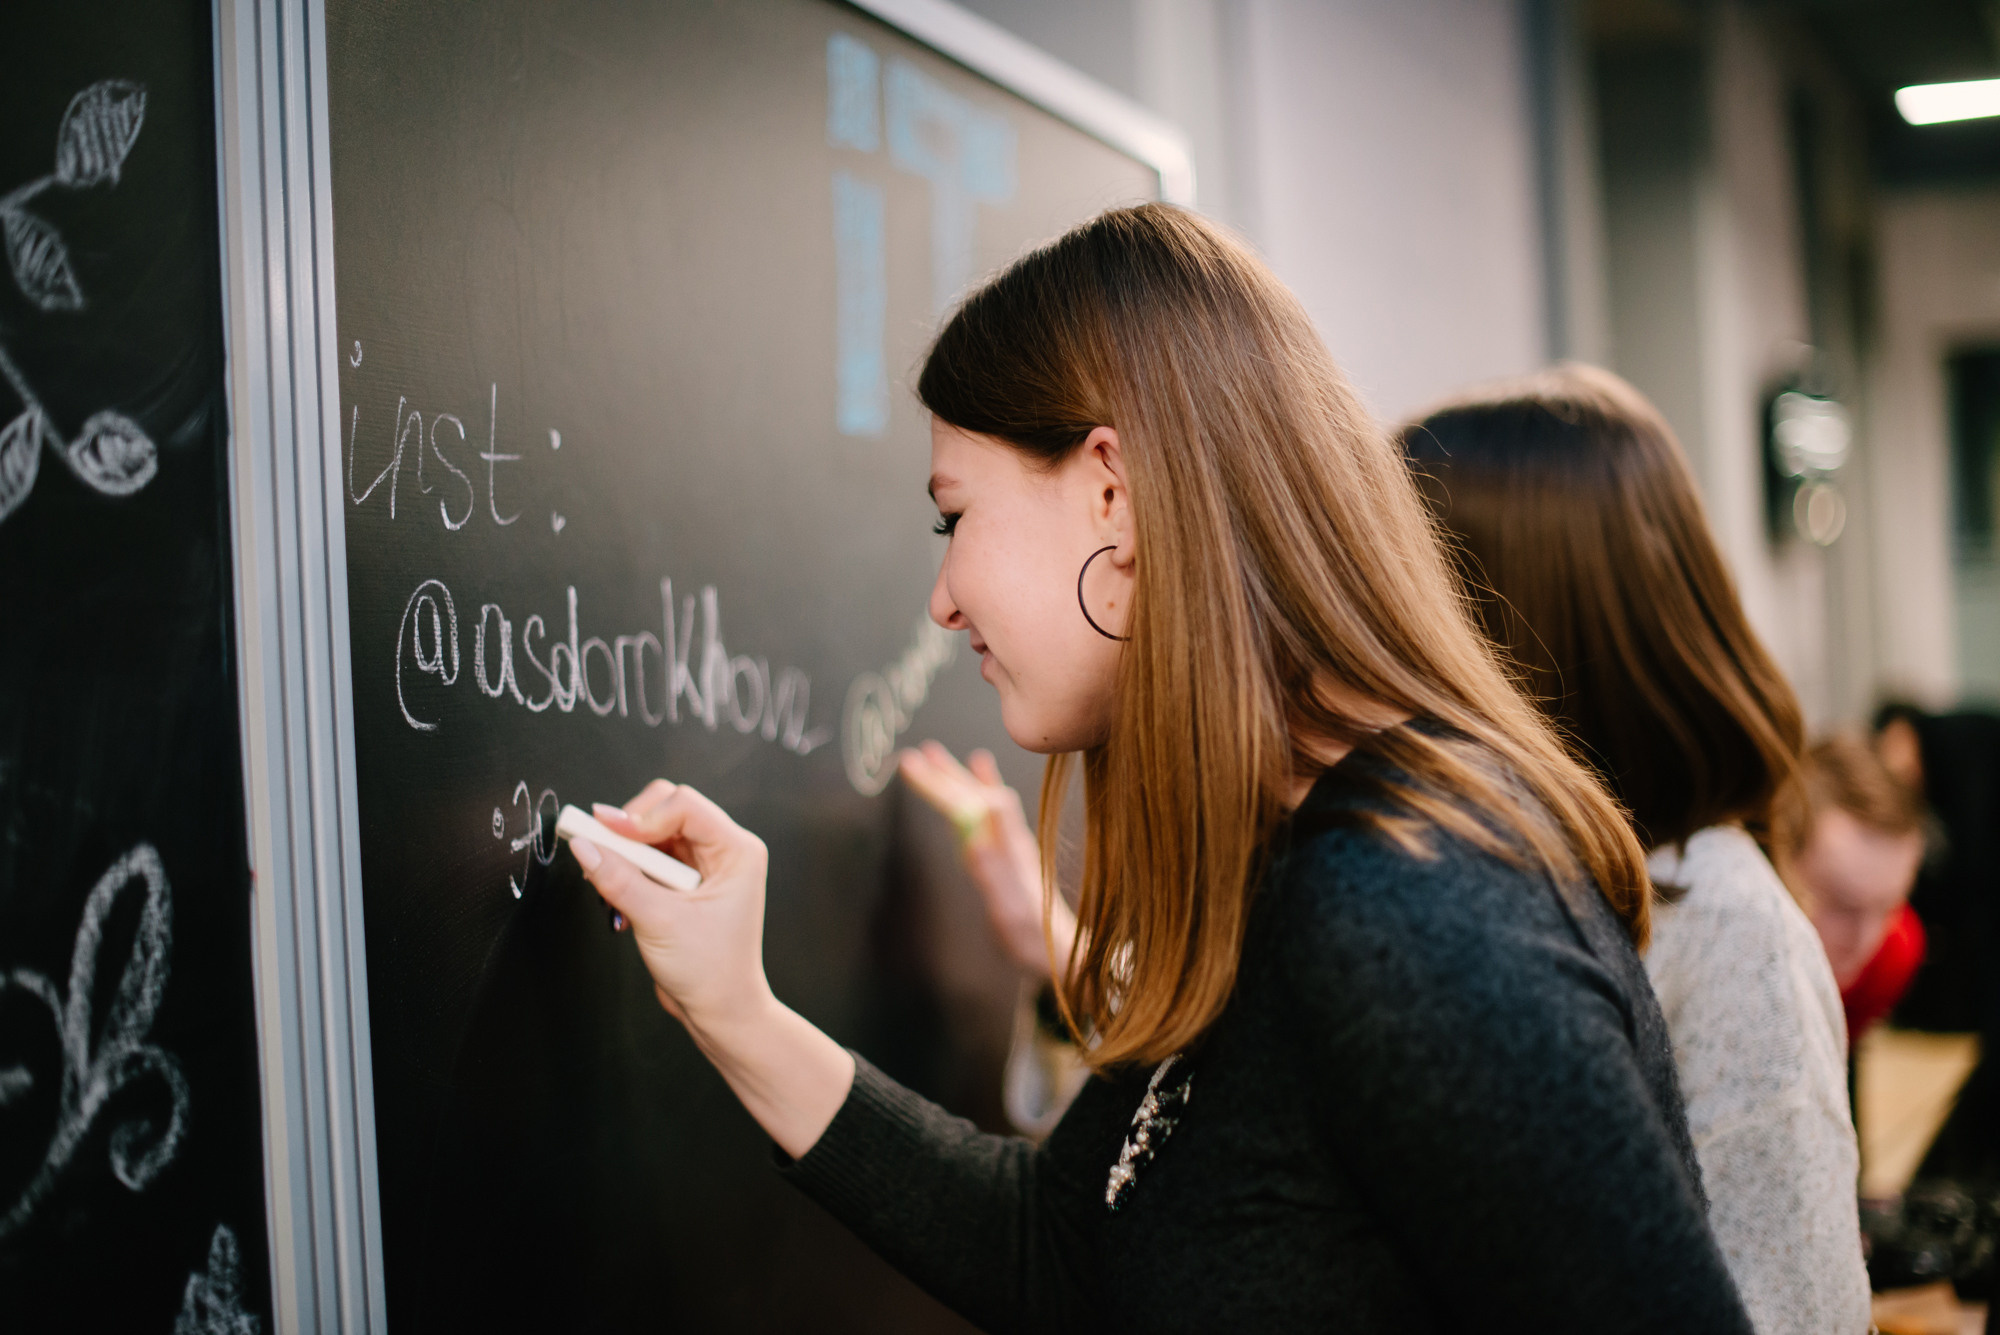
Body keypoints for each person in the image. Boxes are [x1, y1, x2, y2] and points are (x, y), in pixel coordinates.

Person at [567, 205, 1753, 1331]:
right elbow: (1059, 1248)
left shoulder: (1412, 911)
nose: (942, 600)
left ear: (1112, 496)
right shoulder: (1284, 865)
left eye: (953, 517)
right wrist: (732, 1008)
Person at [1401, 363, 1871, 1334]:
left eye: (1407, 601)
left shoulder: (1729, 934)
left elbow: (1791, 1308)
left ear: (1510, 633)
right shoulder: (1501, 886)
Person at [1790, 734, 1928, 1040]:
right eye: (1841, 904)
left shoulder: (1895, 951)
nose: (1864, 939)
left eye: (1887, 906)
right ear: (1780, 862)